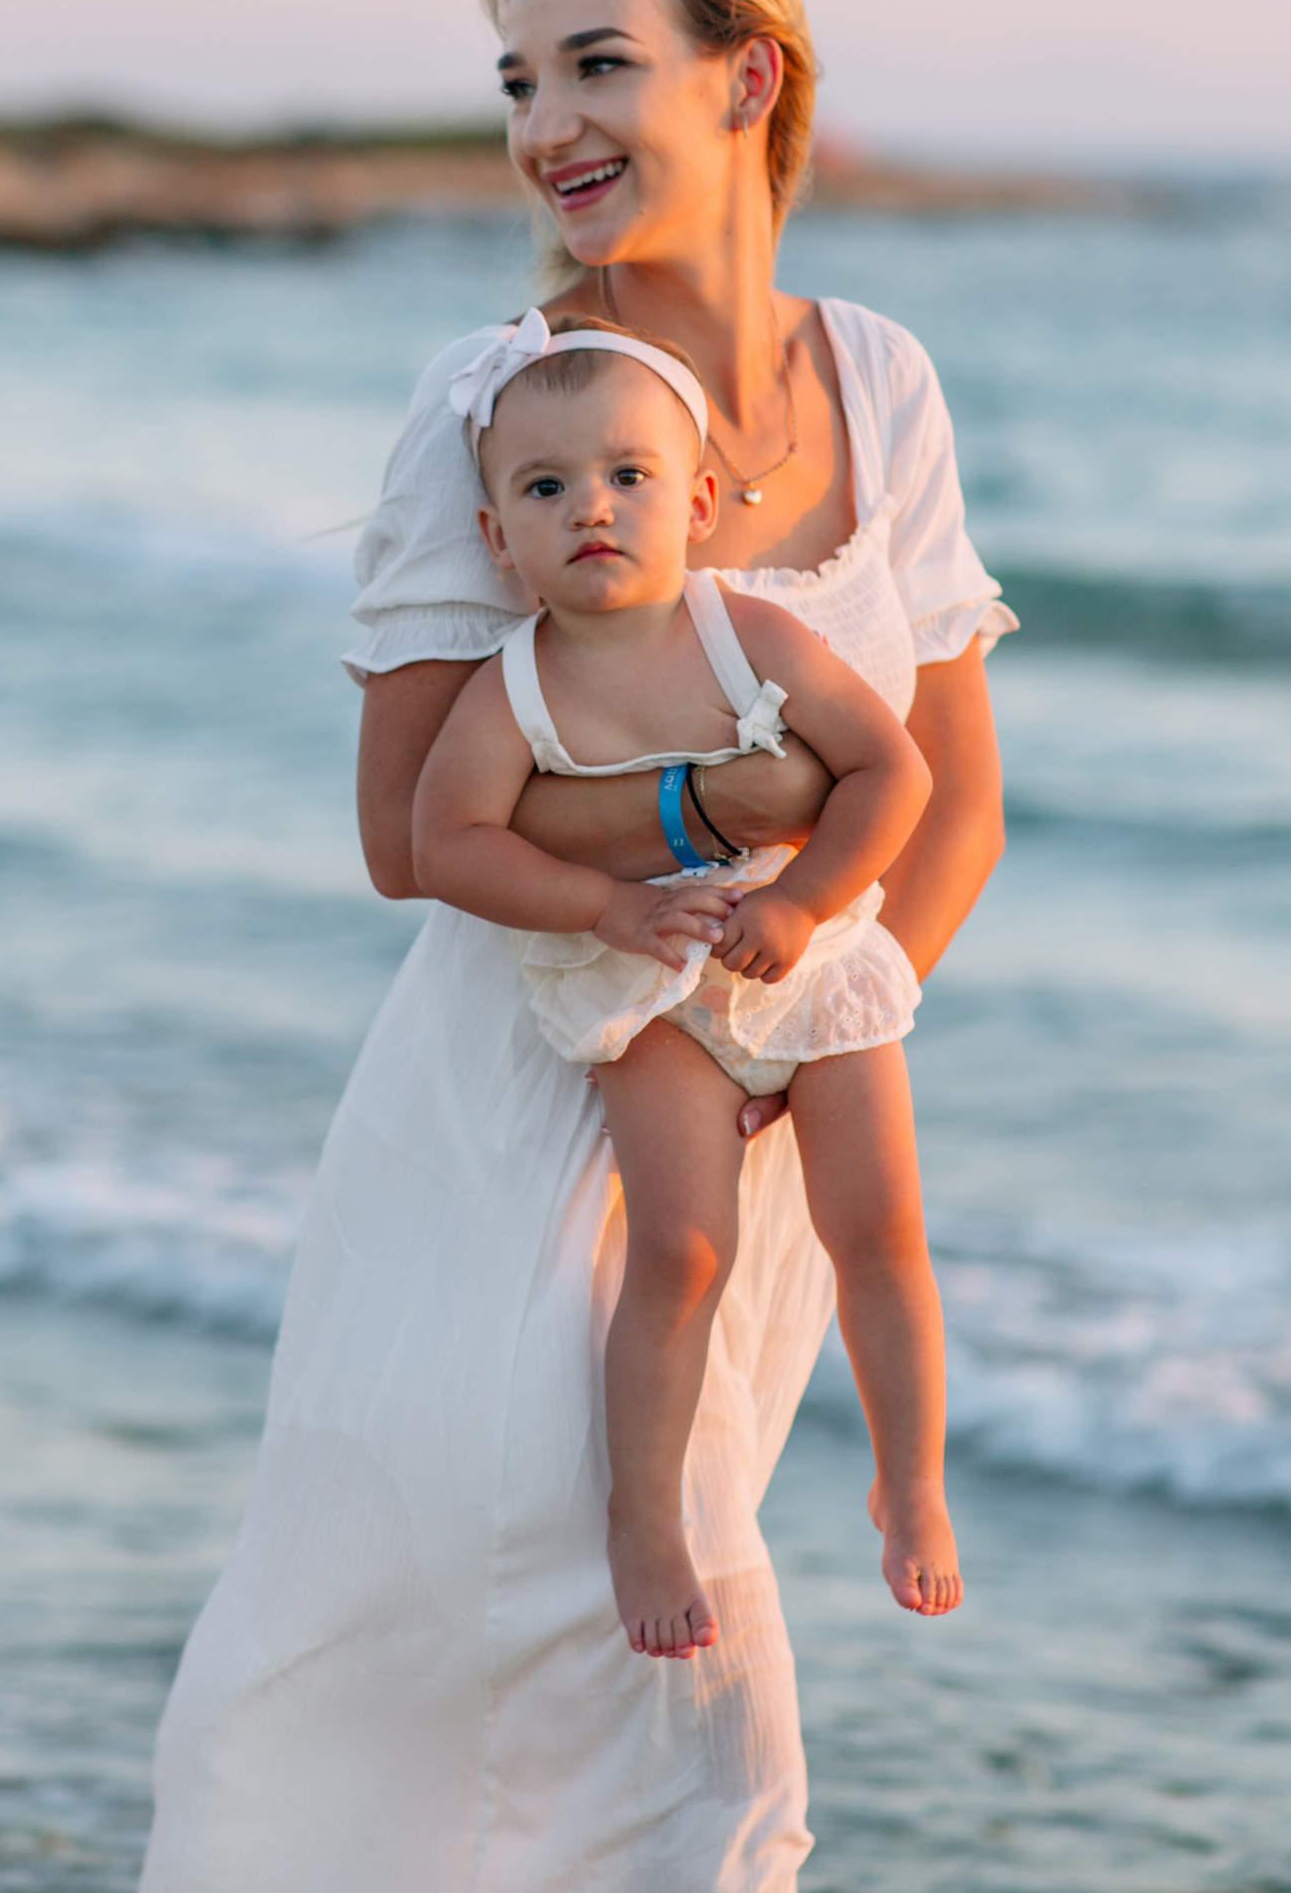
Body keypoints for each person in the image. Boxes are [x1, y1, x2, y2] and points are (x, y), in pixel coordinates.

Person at [145, 0, 1011, 1891]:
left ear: (747, 78)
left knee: (637, 1674)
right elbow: (407, 830)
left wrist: (801, 1026)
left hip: (752, 1112)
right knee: (419, 1641)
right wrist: (736, 810)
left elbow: (953, 802)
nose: (546, 124)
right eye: (519, 76)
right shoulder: (497, 403)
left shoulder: (876, 378)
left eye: (599, 64)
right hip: (512, 1102)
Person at [414, 310, 959, 1661]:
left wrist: (806, 900)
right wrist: (606, 903)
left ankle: (911, 1485)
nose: (589, 509)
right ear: (499, 541)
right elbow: (444, 844)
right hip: (648, 989)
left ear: (698, 502)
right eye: (544, 489)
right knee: (681, 1251)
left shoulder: (747, 633)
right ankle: (645, 1518)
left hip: (810, 966)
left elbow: (898, 773)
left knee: (880, 1228)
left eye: (628, 478)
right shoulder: (514, 690)